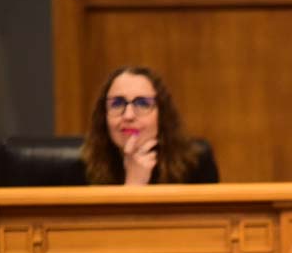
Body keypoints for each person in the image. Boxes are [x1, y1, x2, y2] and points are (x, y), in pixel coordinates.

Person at [80, 65, 218, 185]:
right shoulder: (80, 168)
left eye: (142, 104)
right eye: (117, 103)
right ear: (103, 115)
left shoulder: (196, 164)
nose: (128, 115)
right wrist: (133, 184)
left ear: (161, 115)